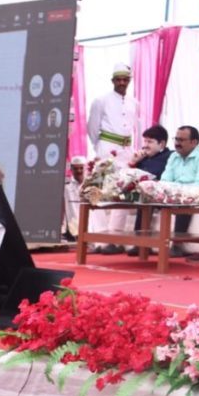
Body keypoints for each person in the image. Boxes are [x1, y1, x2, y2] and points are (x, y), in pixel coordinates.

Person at [86, 63, 139, 254]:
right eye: (118, 79)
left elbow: (135, 128)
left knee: (124, 192)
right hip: (106, 150)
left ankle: (115, 238)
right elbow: (92, 128)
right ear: (112, 81)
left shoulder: (134, 102)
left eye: (125, 79)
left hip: (126, 151)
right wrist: (100, 148)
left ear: (129, 81)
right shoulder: (101, 100)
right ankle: (100, 239)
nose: (122, 83)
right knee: (99, 194)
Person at [161, 126, 199, 259]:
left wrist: (178, 190)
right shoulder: (174, 156)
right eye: (176, 139)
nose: (177, 143)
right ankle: (142, 244)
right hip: (179, 191)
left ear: (194, 142)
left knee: (185, 200)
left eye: (181, 140)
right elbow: (165, 180)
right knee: (151, 199)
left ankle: (177, 245)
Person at [125, 125, 173, 256]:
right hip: (140, 193)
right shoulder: (143, 158)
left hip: (160, 193)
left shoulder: (170, 157)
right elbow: (131, 177)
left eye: (150, 142)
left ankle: (141, 243)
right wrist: (133, 162)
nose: (145, 145)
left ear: (162, 143)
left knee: (145, 200)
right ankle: (111, 242)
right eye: (145, 141)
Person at [62, 156, 86, 241]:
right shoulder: (66, 187)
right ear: (71, 169)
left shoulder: (90, 185)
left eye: (81, 168)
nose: (79, 171)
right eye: (76, 168)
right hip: (73, 228)